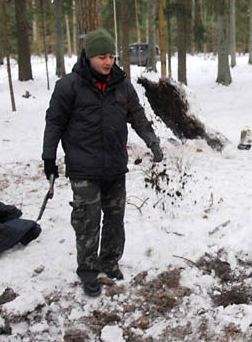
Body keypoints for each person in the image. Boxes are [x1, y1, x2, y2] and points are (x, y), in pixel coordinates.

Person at [42, 28, 163, 297]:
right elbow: (54, 123)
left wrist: (152, 142)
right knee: (87, 221)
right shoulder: (69, 86)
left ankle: (109, 262)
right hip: (84, 168)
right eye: (101, 57)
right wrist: (49, 157)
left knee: (114, 219)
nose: (108, 62)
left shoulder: (122, 85)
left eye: (111, 56)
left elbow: (138, 117)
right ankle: (87, 271)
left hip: (115, 167)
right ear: (89, 57)